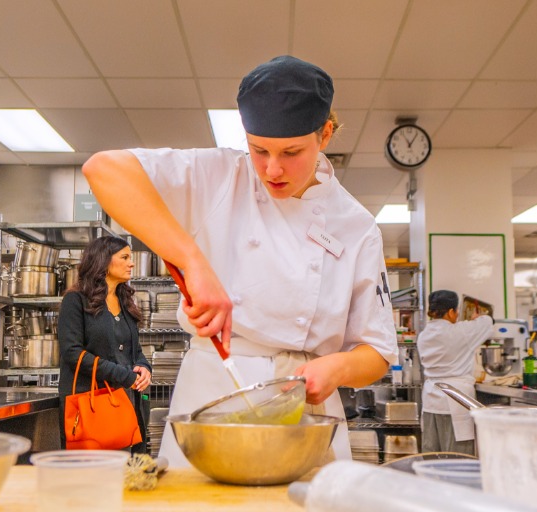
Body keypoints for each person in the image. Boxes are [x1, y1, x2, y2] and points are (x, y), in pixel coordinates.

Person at [81, 55, 396, 465]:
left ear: (326, 135)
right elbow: (103, 169)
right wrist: (193, 262)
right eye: (259, 149)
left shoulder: (356, 226)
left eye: (292, 152)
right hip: (214, 395)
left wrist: (336, 370)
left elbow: (377, 351)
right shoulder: (220, 176)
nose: (272, 169)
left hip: (305, 411)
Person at [57, 235, 152, 453]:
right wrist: (123, 375)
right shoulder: (75, 300)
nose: (132, 263)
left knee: (128, 475)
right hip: (90, 403)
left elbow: (135, 351)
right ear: (104, 260)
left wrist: (144, 368)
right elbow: (73, 353)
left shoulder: (125, 301)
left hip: (126, 402)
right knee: (92, 476)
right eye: (125, 257)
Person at [417, 290, 493, 454]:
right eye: (457, 311)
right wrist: (475, 318)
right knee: (456, 458)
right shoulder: (461, 331)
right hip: (457, 399)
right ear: (451, 311)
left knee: (432, 455)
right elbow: (488, 322)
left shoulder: (423, 335)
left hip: (431, 400)